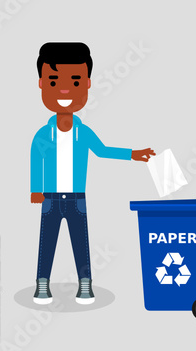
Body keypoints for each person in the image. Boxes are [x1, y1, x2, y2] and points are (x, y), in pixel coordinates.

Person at [30, 42, 155, 305]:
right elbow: (36, 160)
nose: (64, 89)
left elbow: (103, 150)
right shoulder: (44, 135)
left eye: (74, 82)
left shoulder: (82, 133)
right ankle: (43, 285)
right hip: (50, 198)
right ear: (42, 84)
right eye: (54, 81)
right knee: (47, 241)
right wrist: (35, 189)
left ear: (87, 84)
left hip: (77, 198)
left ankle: (84, 286)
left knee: (80, 242)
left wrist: (133, 154)